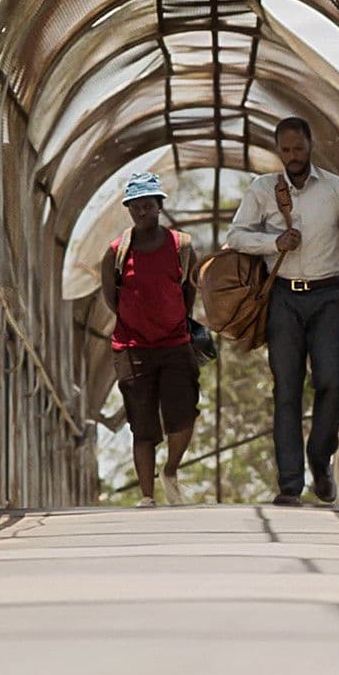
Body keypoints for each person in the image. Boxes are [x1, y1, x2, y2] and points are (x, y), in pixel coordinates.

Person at [225, 117, 339, 506]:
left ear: (311, 146)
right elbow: (235, 236)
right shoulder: (262, 189)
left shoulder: (337, 189)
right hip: (283, 298)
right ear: (279, 150)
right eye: (286, 150)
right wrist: (274, 242)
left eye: (299, 148)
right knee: (287, 390)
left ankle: (320, 459)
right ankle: (290, 484)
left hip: (328, 297)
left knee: (333, 382)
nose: (293, 156)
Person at [101, 172, 200, 508]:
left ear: (159, 205)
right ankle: (147, 495)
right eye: (135, 206)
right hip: (132, 349)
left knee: (183, 415)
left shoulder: (181, 247)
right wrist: (137, 322)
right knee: (142, 423)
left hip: (175, 344)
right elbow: (111, 298)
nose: (142, 211)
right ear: (129, 209)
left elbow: (189, 292)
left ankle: (170, 469)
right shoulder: (117, 252)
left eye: (148, 204)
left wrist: (172, 321)